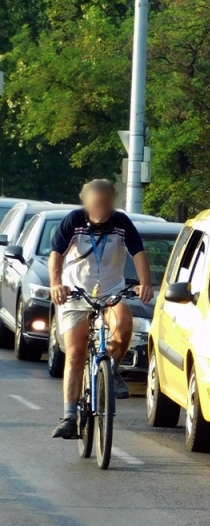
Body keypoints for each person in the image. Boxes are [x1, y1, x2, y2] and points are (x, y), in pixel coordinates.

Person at [48, 180, 153, 438]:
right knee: (75, 352)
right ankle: (70, 416)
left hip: (111, 292)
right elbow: (56, 254)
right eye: (97, 203)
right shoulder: (73, 221)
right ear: (86, 202)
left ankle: (112, 369)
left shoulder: (121, 223)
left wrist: (145, 284)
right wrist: (56, 284)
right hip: (76, 293)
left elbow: (138, 253)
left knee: (125, 326)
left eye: (107, 202)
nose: (102, 208)